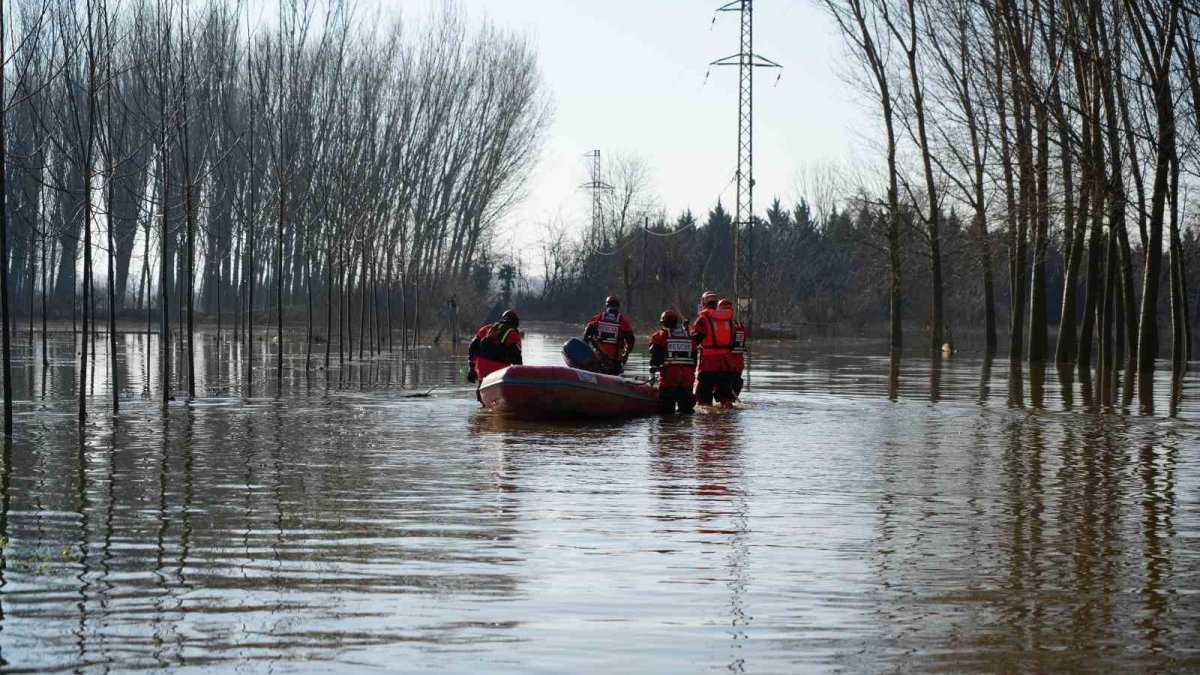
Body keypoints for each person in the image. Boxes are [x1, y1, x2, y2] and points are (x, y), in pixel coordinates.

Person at [690, 291, 737, 406]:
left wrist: (688, 332)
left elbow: (696, 339)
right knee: (725, 397)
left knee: (703, 397)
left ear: (703, 303)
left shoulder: (703, 318)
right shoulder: (729, 320)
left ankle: (706, 420)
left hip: (708, 363)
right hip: (726, 364)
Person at [648, 310, 697, 413]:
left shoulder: (660, 336)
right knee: (686, 412)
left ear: (663, 322)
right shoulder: (689, 337)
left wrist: (652, 371)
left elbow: (655, 358)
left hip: (669, 379)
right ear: (676, 322)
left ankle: (669, 428)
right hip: (687, 379)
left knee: (666, 413)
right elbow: (694, 360)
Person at [467, 310, 522, 399]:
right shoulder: (513, 334)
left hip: (482, 366)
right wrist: (519, 376)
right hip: (500, 369)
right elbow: (517, 358)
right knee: (498, 392)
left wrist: (471, 368)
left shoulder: (486, 328)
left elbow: (473, 347)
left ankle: (482, 398)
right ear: (515, 322)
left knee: (483, 387)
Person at [584, 295, 635, 375]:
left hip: (598, 359)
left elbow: (587, 334)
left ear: (607, 305)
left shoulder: (598, 318)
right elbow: (631, 340)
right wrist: (626, 353)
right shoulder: (623, 321)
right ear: (617, 306)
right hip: (615, 362)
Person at [719, 298, 748, 396]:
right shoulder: (740, 326)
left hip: (727, 362)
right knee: (734, 388)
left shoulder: (724, 326)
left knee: (724, 391)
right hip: (739, 363)